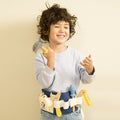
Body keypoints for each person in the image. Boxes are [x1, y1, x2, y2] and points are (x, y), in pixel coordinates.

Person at [33, 3, 95, 120]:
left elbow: (86, 79)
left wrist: (89, 69)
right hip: (49, 114)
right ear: (46, 30)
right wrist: (50, 61)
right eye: (56, 26)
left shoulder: (75, 55)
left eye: (66, 27)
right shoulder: (41, 57)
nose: (62, 30)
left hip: (73, 113)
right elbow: (44, 84)